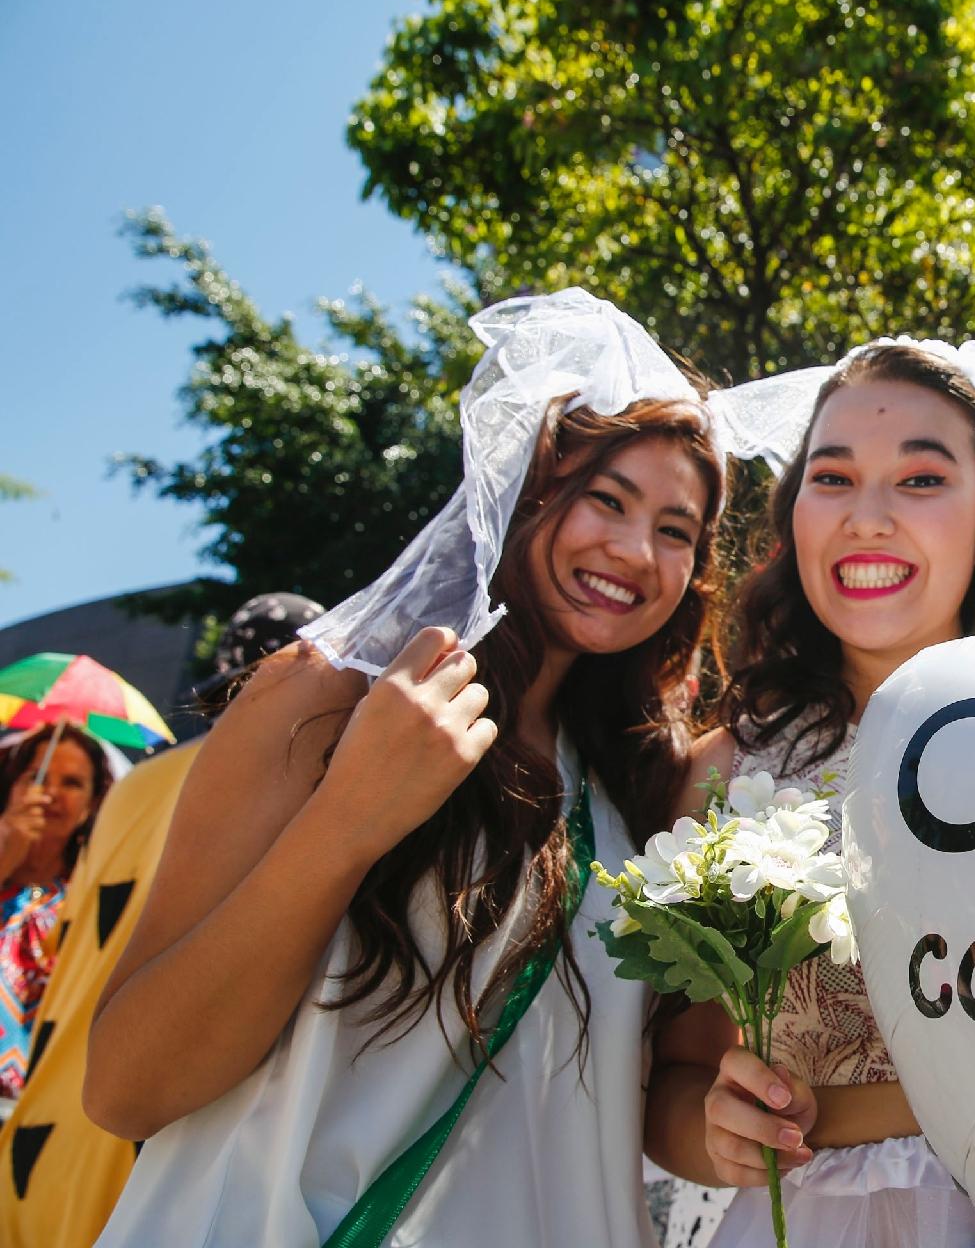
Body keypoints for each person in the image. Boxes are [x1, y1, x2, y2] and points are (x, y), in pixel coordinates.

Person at [85, 288, 728, 1247]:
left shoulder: (631, 790)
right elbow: (125, 1085)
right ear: (523, 491)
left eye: (677, 530)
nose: (635, 551)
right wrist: (350, 818)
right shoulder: (324, 699)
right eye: (607, 497)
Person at [645, 337, 975, 1248]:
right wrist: (721, 1131)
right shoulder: (724, 775)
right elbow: (674, 1078)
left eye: (920, 481)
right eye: (831, 479)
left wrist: (840, 1113)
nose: (867, 519)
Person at [0, 593, 322, 1248]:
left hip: (45, 1140)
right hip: (143, 1148)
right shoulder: (278, 785)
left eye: (73, 782)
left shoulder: (138, 790)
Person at [0, 723, 111, 1099]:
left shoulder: (96, 897)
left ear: (93, 804)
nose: (50, 793)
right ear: (11, 786)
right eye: (37, 776)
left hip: (35, 1105)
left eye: (72, 783)